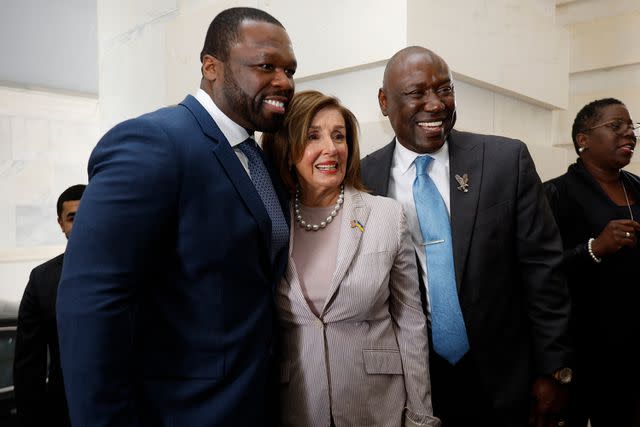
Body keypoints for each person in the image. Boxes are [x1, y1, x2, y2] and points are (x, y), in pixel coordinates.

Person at [56, 7, 296, 426]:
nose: (284, 82)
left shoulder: (257, 158)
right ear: (211, 66)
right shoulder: (154, 142)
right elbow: (92, 304)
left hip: (251, 403)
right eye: (266, 66)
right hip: (178, 411)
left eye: (290, 70)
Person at [360, 46, 572, 427]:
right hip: (409, 380)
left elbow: (544, 271)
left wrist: (554, 370)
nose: (436, 104)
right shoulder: (362, 179)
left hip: (502, 377)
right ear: (384, 101)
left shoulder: (506, 161)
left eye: (445, 90)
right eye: (416, 93)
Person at [262, 90, 440, 427]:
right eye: (313, 136)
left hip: (377, 407)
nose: (331, 147)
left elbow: (410, 323)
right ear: (288, 150)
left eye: (339, 136)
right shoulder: (271, 221)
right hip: (296, 406)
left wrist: (420, 415)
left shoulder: (387, 215)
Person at [544, 98, 640, 427]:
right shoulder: (555, 193)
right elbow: (543, 271)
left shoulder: (638, 188)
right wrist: (594, 248)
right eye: (616, 126)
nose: (629, 133)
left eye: (631, 127)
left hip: (631, 350)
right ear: (583, 140)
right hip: (582, 351)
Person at [13, 184, 85, 427]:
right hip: (64, 411)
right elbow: (28, 366)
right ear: (61, 224)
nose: (81, 224)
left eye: (88, 215)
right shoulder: (42, 280)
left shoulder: (134, 268)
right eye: (73, 218)